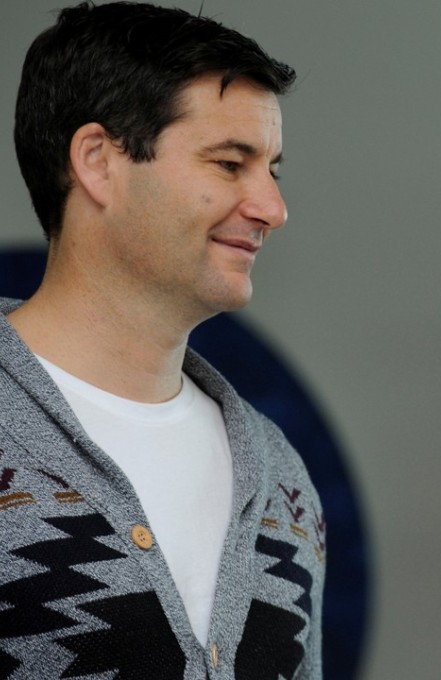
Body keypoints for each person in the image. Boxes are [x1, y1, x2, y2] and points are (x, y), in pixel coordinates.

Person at [0, 3, 324, 678]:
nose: (273, 207)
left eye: (272, 170)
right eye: (231, 163)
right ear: (97, 161)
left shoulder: (282, 479)